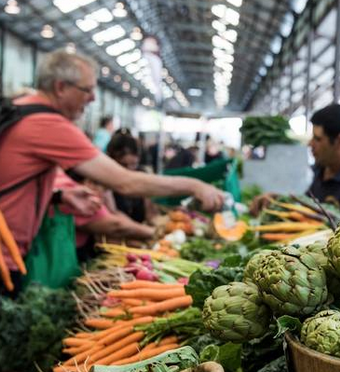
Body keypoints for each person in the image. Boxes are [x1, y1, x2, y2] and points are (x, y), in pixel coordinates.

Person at [0, 49, 225, 291]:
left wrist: (60, 196)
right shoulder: (47, 124)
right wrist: (194, 185)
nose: (93, 99)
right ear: (60, 87)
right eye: (87, 90)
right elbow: (126, 183)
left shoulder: (20, 109)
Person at [251, 104, 340, 216]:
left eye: (317, 139)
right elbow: (307, 204)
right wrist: (277, 199)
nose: (310, 144)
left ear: (339, 141)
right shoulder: (319, 169)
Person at [106, 131, 159, 224]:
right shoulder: (103, 181)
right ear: (111, 161)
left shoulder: (143, 175)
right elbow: (113, 216)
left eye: (134, 164)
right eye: (123, 165)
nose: (129, 170)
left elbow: (150, 215)